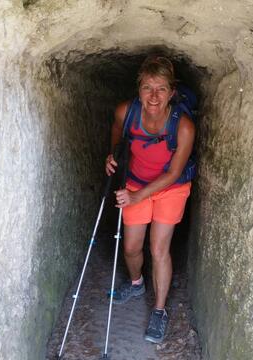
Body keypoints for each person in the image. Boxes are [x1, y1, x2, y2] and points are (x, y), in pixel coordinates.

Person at [105, 55, 195, 344]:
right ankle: (136, 283)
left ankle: (159, 311)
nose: (153, 96)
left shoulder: (183, 127)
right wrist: (113, 155)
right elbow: (118, 134)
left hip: (171, 188)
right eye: (147, 88)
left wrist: (136, 196)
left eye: (161, 89)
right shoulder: (126, 112)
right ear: (139, 89)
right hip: (135, 183)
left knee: (158, 249)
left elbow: (173, 173)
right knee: (131, 248)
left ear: (172, 92)